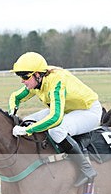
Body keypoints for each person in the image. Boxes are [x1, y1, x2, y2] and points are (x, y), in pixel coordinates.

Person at [8, 52, 102, 186]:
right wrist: (13, 110)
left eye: (24, 76)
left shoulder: (56, 82)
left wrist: (28, 130)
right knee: (27, 120)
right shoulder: (36, 82)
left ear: (38, 74)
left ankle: (87, 169)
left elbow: (55, 118)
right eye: (20, 76)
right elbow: (15, 97)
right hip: (67, 110)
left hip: (88, 111)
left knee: (56, 131)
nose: (22, 80)